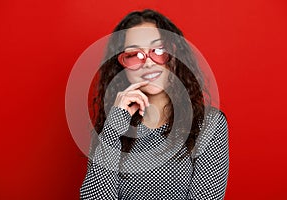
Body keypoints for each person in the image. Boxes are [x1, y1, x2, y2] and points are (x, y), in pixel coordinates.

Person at [80, 9, 229, 200]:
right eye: (134, 54)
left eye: (158, 50)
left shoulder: (208, 124)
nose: (148, 63)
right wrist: (113, 128)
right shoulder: (112, 128)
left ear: (174, 57)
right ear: (122, 68)